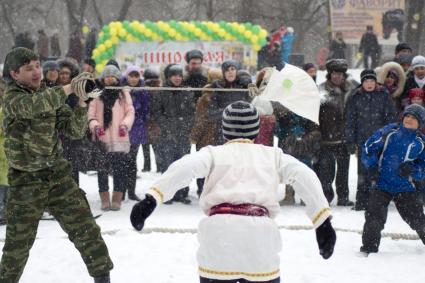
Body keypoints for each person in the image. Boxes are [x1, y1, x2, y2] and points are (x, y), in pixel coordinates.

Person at [130, 100, 336, 283]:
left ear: (225, 129)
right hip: (260, 239)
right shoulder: (273, 155)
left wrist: (152, 198)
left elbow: (184, 167)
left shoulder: (213, 154)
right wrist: (322, 220)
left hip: (219, 238)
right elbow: (305, 176)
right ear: (256, 130)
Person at [0, 47, 113, 282]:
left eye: (37, 66)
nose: (36, 72)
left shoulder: (48, 93)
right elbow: (36, 105)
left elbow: (72, 130)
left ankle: (103, 277)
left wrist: (82, 103)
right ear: (14, 74)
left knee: (87, 230)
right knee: (16, 248)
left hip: (57, 175)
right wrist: (72, 86)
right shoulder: (12, 98)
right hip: (26, 181)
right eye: (28, 68)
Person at [360, 104, 425, 254]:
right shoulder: (389, 131)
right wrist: (371, 167)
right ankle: (369, 248)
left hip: (405, 187)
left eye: (413, 118)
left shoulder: (421, 142)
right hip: (381, 184)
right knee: (374, 218)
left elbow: (423, 168)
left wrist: (413, 170)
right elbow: (368, 148)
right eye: (407, 116)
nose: (408, 119)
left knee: (418, 219)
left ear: (420, 123)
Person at [344, 69, 397, 210]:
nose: (369, 84)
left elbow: (391, 117)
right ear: (362, 83)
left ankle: (378, 202)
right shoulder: (355, 96)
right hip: (363, 141)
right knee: (362, 171)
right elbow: (350, 120)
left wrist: (388, 137)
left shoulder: (384, 95)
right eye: (366, 81)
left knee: (378, 171)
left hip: (380, 140)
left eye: (371, 81)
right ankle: (361, 201)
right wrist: (350, 140)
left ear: (375, 82)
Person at [88, 65, 135, 211]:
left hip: (119, 138)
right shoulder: (96, 92)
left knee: (120, 169)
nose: (109, 78)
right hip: (102, 139)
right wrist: (96, 126)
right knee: (102, 170)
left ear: (117, 78)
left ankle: (117, 198)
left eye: (112, 76)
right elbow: (91, 114)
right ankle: (104, 199)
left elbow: (130, 112)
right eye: (107, 75)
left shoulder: (122, 93)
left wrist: (125, 125)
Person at [151, 64, 195, 204]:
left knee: (183, 165)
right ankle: (167, 194)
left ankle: (182, 193)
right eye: (174, 75)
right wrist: (168, 125)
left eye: (179, 75)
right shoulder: (162, 92)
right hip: (167, 135)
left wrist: (185, 125)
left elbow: (192, 113)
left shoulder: (187, 92)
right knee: (168, 165)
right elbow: (157, 112)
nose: (177, 78)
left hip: (183, 134)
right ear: (169, 77)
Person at [316, 59, 356, 205]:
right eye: (334, 73)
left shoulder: (352, 90)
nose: (337, 77)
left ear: (344, 75)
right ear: (329, 74)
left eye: (340, 74)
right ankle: (325, 197)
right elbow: (315, 113)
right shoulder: (321, 90)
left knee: (343, 170)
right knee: (326, 170)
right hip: (326, 137)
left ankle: (343, 197)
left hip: (345, 137)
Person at [121, 65, 150, 201]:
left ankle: (131, 192)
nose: (133, 79)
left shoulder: (143, 90)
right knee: (120, 162)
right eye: (131, 76)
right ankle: (119, 191)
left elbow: (145, 110)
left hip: (137, 130)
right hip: (121, 130)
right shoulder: (119, 89)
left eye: (136, 76)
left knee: (132, 162)